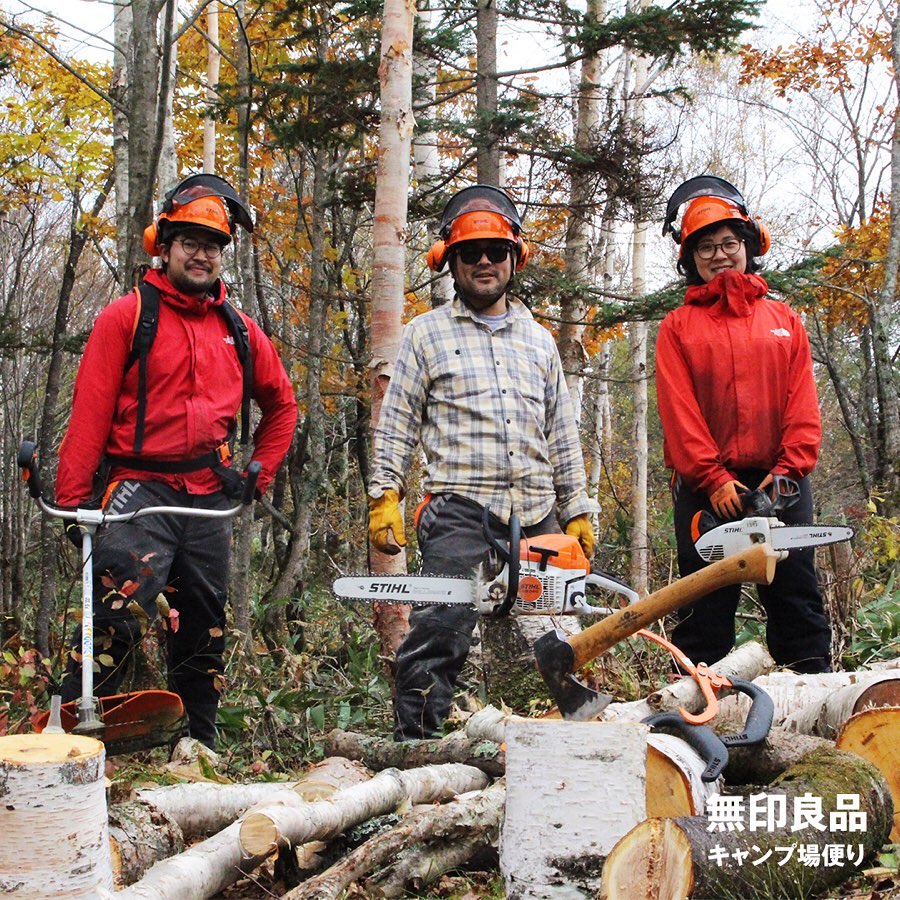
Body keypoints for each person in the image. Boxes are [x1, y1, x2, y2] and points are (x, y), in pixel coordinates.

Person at [55, 174, 298, 747]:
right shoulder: (127, 317)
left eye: (212, 245)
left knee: (204, 625)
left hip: (209, 493)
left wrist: (258, 474)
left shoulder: (238, 330)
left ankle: (197, 746)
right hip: (138, 487)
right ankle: (72, 736)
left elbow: (283, 405)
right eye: (189, 242)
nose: (201, 254)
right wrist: (72, 504)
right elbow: (89, 413)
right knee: (113, 611)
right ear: (163, 246)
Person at [367, 184, 599, 740]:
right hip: (460, 509)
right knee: (441, 627)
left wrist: (576, 509)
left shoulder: (539, 341)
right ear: (450, 262)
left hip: (536, 508)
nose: (485, 262)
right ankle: (417, 744)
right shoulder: (425, 335)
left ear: (515, 258)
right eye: (471, 253)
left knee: (561, 634)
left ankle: (583, 737)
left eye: (496, 251)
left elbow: (562, 433)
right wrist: (385, 494)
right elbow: (396, 422)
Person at [655, 174, 831, 674]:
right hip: (707, 487)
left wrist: (789, 472)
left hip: (780, 481)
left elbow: (802, 405)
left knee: (796, 597)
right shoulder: (678, 328)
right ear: (690, 258)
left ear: (750, 245)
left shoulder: (784, 320)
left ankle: (815, 693)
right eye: (706, 247)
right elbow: (680, 413)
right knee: (705, 608)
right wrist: (712, 479)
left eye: (729, 243)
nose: (720, 255)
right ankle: (693, 703)